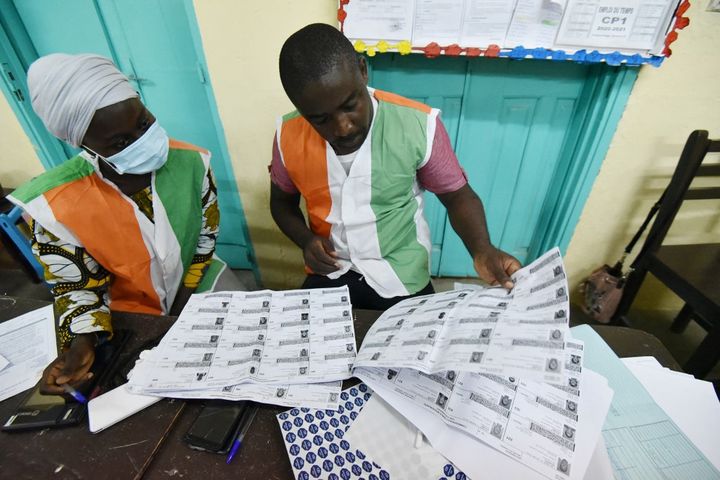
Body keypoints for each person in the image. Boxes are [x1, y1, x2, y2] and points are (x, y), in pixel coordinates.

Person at [7, 53, 243, 394]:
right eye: (120, 142)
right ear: (84, 144)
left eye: (144, 123)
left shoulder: (193, 162)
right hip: (126, 314)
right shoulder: (55, 206)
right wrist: (83, 343)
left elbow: (205, 240)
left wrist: (179, 311)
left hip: (197, 286)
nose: (141, 140)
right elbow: (76, 288)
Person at [270, 24, 521, 310]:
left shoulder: (417, 125)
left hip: (401, 273)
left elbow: (457, 196)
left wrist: (482, 250)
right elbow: (281, 203)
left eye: (350, 105)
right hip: (331, 270)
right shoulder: (288, 135)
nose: (342, 127)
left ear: (363, 71)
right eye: (320, 119)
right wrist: (305, 240)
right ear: (301, 110)